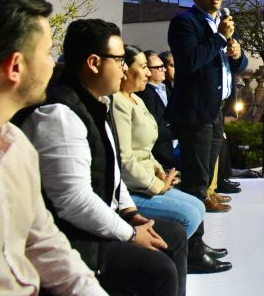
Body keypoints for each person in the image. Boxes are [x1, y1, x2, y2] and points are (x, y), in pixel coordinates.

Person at [21, 19, 188, 296]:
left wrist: (132, 214)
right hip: (75, 236)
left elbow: (113, 173)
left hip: (103, 221)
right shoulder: (60, 114)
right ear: (94, 63)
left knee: (175, 236)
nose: (124, 68)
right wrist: (130, 234)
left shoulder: (99, 102)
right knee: (159, 269)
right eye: (120, 60)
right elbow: (73, 202)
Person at [0, 0, 107, 295]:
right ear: (15, 67)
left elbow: (43, 241)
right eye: (47, 52)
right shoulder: (55, 117)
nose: (54, 63)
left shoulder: (18, 147)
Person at [114, 45, 231, 273]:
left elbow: (145, 149)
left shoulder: (136, 99)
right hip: (133, 188)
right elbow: (124, 159)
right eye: (144, 67)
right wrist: (157, 184)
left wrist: (159, 171)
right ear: (125, 70)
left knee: (198, 205)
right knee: (189, 215)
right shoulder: (118, 104)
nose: (148, 73)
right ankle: (169, 259)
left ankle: (188, 252)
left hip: (149, 177)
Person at [166, 0, 248, 209]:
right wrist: (220, 37)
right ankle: (195, 208)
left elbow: (238, 66)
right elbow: (190, 61)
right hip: (196, 107)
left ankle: (207, 194)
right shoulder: (184, 22)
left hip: (216, 107)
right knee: (197, 166)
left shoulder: (223, 24)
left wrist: (237, 55)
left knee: (210, 160)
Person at [136, 50, 177, 169]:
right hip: (164, 155)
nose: (164, 70)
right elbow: (155, 130)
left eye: (163, 66)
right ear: (148, 70)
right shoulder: (145, 94)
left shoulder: (166, 88)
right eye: (159, 67)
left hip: (176, 146)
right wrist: (181, 131)